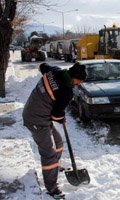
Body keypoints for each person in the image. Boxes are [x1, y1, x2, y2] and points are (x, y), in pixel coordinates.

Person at [22, 62, 87, 199]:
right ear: (74, 77)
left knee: (58, 143)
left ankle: (54, 167)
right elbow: (56, 115)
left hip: (36, 112)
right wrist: (61, 118)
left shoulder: (55, 70)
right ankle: (52, 189)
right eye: (79, 81)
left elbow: (42, 66)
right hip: (36, 120)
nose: (78, 84)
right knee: (49, 154)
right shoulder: (66, 91)